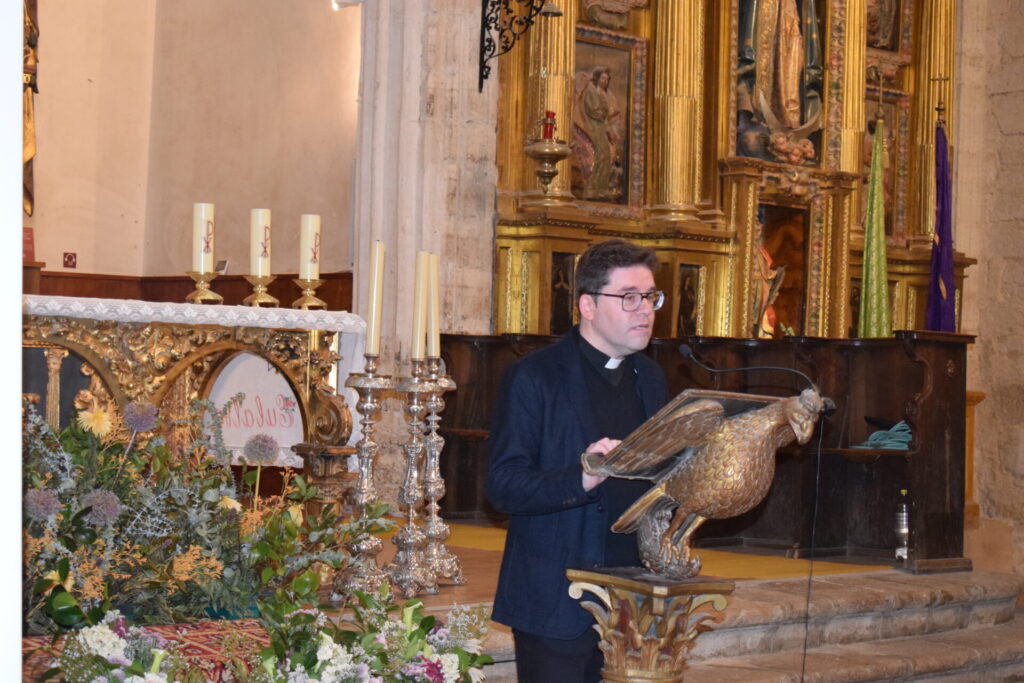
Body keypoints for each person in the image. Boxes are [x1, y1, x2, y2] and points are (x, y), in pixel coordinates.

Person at [487, 239, 668, 682]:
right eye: (628, 298)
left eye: (650, 297)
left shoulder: (651, 377)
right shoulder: (535, 376)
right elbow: (503, 485)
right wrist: (582, 476)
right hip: (556, 597)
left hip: (633, 597)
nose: (644, 309)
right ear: (588, 305)